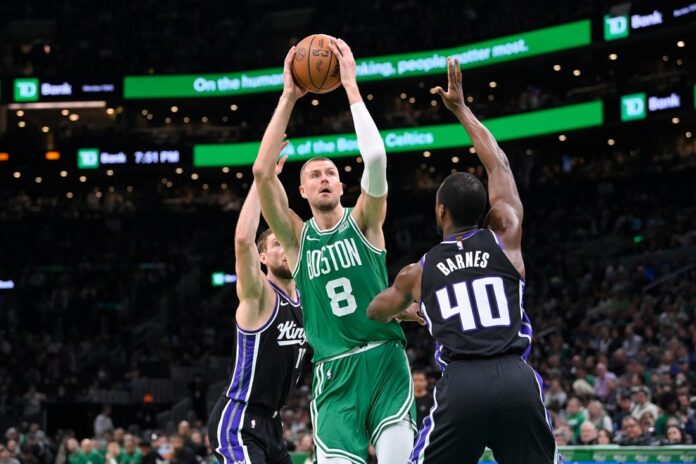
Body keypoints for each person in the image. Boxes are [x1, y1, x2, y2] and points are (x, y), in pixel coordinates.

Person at [366, 57, 559, 463]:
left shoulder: (417, 272)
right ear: (486, 209)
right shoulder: (505, 235)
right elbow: (499, 163)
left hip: (463, 385)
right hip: (516, 379)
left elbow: (375, 311)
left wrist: (409, 312)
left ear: (440, 211)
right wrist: (461, 109)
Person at [253, 41, 421, 464]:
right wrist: (288, 95)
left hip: (384, 362)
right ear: (302, 190)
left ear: (343, 186)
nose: (324, 178)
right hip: (333, 373)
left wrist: (350, 86)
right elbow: (261, 172)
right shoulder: (296, 239)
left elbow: (376, 158)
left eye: (331, 172)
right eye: (314, 174)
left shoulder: (365, 220)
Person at [207, 154, 306, 464]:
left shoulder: (306, 298)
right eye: (275, 244)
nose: (284, 248)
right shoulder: (260, 295)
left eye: (286, 242)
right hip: (239, 419)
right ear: (262, 258)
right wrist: (261, 180)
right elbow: (242, 240)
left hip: (272, 423)